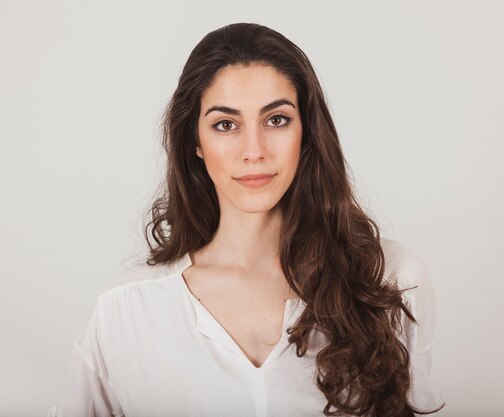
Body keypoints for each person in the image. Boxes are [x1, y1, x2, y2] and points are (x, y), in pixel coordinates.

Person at [48, 22, 445, 417]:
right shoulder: (127, 309)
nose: (253, 150)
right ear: (195, 143)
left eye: (276, 120)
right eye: (225, 125)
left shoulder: (390, 280)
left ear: (306, 132)